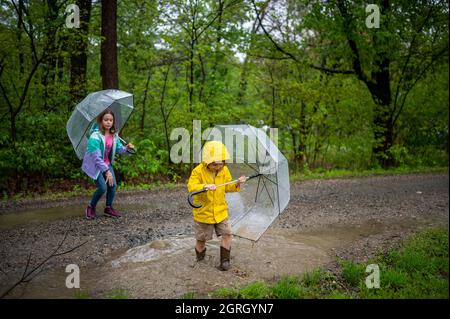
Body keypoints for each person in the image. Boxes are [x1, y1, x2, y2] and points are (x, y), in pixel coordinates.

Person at [187, 141, 246, 271]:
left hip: (221, 211)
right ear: (208, 161)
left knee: (227, 234)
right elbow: (191, 187)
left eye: (221, 163)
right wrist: (204, 186)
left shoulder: (224, 170)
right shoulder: (198, 171)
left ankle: (224, 262)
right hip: (204, 212)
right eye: (215, 164)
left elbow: (229, 187)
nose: (218, 167)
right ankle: (200, 260)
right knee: (202, 239)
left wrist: (237, 182)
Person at [82, 109, 134, 220]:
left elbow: (119, 149)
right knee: (102, 187)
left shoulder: (114, 135)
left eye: (111, 120)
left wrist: (127, 149)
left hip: (106, 163)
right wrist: (106, 171)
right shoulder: (94, 136)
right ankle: (90, 207)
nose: (108, 122)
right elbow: (96, 158)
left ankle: (108, 208)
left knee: (113, 186)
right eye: (106, 120)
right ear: (101, 121)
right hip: (96, 165)